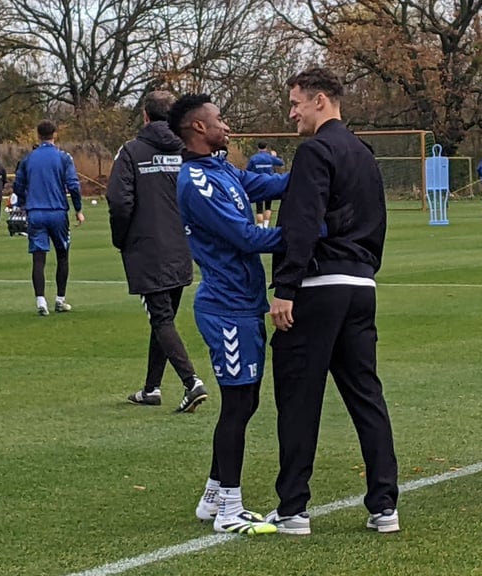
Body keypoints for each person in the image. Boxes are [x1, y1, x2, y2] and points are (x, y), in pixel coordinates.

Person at [267, 67, 400, 535]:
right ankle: (385, 505)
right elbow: (377, 220)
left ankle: (293, 508)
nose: (292, 113)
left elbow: (301, 221)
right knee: (366, 395)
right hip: (361, 286)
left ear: (320, 100)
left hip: (319, 286)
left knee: (298, 398)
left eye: (296, 103)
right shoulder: (364, 153)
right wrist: (364, 268)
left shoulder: (315, 151)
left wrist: (285, 287)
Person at [168, 93, 289, 535]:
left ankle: (213, 497)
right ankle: (229, 510)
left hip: (243, 304)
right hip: (225, 309)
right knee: (237, 405)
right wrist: (310, 234)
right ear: (199, 127)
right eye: (219, 119)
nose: (227, 126)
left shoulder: (221, 170)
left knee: (247, 400)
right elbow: (245, 237)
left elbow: (266, 186)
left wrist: (323, 165)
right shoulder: (196, 181)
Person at [106, 90, 208, 413]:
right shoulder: (186, 150)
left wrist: (122, 238)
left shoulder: (131, 151)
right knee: (163, 319)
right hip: (181, 247)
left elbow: (119, 201)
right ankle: (151, 388)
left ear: (145, 116)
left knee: (161, 318)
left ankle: (192, 382)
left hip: (148, 248)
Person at [13, 120, 84, 317]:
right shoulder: (63, 157)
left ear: (38, 135)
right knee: (62, 255)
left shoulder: (28, 159)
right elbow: (73, 185)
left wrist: (25, 202)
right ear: (55, 134)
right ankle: (60, 300)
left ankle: (40, 301)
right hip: (57, 212)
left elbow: (18, 185)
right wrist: (78, 209)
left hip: (36, 212)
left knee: (38, 258)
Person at [245, 142, 284, 228]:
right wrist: (274, 157)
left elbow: (247, 171)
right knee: (268, 207)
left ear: (258, 148)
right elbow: (281, 163)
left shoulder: (253, 158)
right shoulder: (270, 157)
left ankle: (260, 227)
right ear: (266, 148)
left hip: (258, 184)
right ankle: (266, 226)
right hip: (269, 184)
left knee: (259, 209)